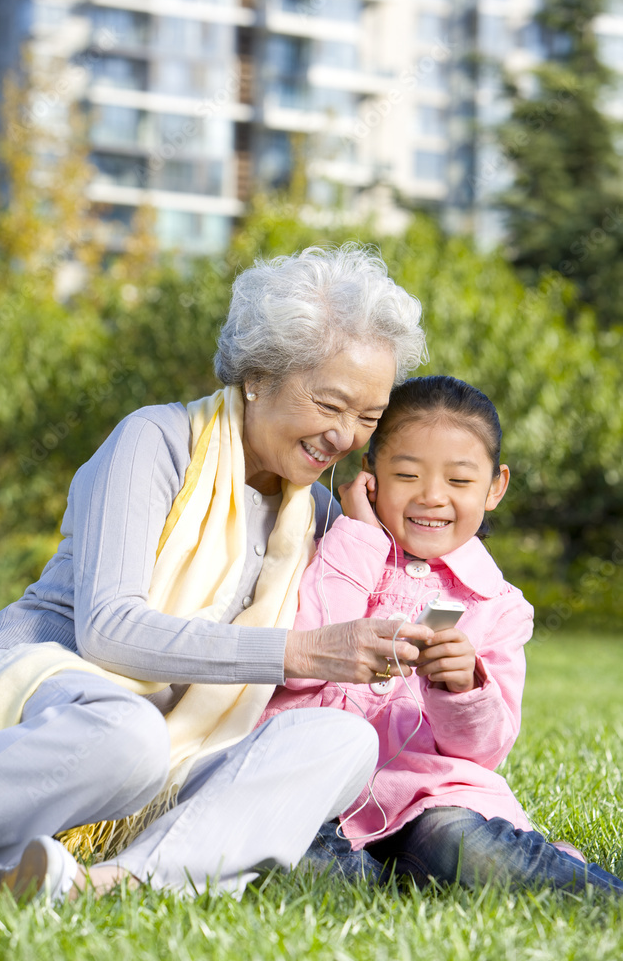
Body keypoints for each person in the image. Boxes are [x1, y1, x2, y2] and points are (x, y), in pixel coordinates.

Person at [0, 244, 431, 903]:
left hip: (173, 755)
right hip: (50, 708)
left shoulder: (318, 512)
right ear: (258, 375)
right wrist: (301, 652)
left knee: (340, 741)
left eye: (369, 419)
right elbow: (109, 632)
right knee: (127, 739)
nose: (346, 435)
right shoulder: (154, 441)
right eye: (330, 404)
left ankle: (108, 882)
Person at [259, 376, 623, 894]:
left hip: (427, 799)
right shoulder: (327, 549)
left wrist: (465, 690)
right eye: (406, 474)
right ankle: (376, 873)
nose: (432, 497)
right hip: (310, 788)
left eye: (459, 481)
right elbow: (294, 670)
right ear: (370, 477)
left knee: (469, 848)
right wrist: (359, 538)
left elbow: (484, 750)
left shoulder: (495, 605)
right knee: (316, 874)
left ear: (495, 487)